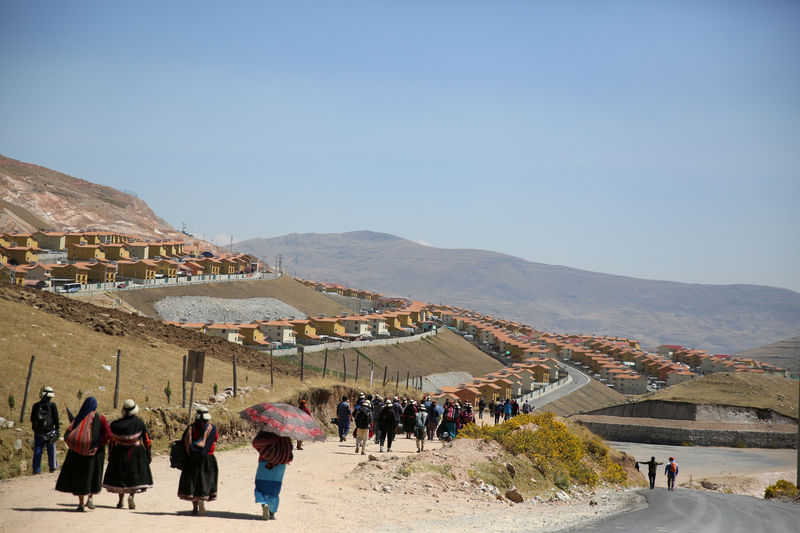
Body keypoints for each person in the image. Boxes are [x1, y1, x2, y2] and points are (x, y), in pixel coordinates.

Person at [55, 396, 112, 512]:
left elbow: (70, 433)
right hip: (94, 454)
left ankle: (80, 503)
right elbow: (108, 434)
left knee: (80, 477)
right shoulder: (100, 418)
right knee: (93, 476)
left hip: (77, 453)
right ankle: (90, 498)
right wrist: (97, 446)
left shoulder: (78, 418)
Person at [102, 399, 153, 509]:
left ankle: (120, 501)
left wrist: (110, 455)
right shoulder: (139, 423)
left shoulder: (115, 425)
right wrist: (149, 454)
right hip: (136, 452)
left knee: (121, 477)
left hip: (119, 452)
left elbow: (111, 442)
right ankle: (131, 496)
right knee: (133, 476)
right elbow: (147, 440)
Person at [178, 406, 218, 515]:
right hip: (208, 458)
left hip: (191, 459)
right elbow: (215, 439)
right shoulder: (211, 428)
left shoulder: (190, 428)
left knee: (193, 481)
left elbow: (184, 441)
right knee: (204, 480)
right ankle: (202, 500)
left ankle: (195, 507)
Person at [252, 430, 293, 520]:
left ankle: (264, 504)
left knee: (261, 486)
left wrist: (266, 451)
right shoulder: (286, 435)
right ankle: (272, 512)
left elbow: (256, 443)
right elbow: (290, 452)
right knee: (274, 489)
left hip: (264, 463)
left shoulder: (264, 431)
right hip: (280, 465)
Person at [30, 386, 60, 474]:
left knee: (38, 450)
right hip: (50, 431)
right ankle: (52, 467)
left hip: (38, 432)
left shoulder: (36, 405)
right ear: (50, 396)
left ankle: (36, 470)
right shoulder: (52, 405)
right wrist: (57, 429)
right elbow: (56, 419)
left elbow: (32, 419)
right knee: (51, 450)